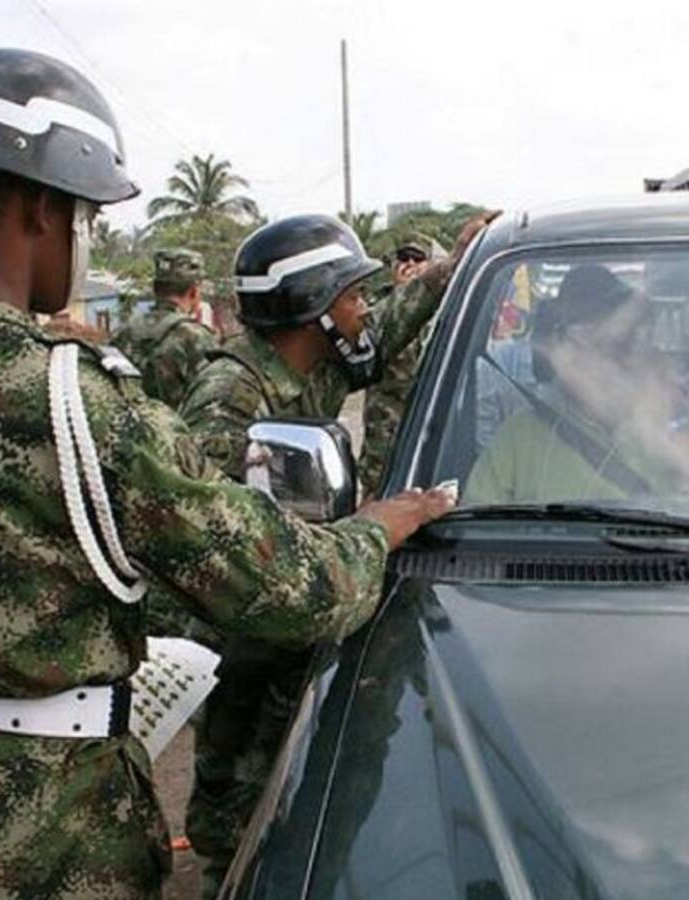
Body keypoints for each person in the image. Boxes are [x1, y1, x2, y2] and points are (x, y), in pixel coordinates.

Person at [0, 48, 454, 899]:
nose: (83, 238)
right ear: (44, 209)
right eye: (86, 216)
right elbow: (287, 588)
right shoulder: (73, 397)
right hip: (63, 826)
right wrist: (381, 526)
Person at [179, 211, 494, 897]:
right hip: (243, 648)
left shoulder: (312, 369)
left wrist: (450, 269)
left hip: (297, 618)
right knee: (238, 814)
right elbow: (207, 546)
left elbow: (382, 337)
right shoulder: (229, 399)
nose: (363, 309)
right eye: (351, 296)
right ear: (311, 309)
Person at [466, 264, 689, 504]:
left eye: (614, 345)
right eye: (577, 345)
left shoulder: (687, 427)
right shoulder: (521, 435)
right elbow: (470, 537)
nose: (586, 362)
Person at [359, 232, 448, 498]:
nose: (408, 264)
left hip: (433, 438)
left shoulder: (449, 307)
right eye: (403, 258)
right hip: (383, 447)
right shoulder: (379, 309)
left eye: (417, 259)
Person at [111, 248, 217, 408]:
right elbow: (212, 400)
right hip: (178, 431)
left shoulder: (122, 333)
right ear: (194, 292)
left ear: (155, 290)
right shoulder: (197, 337)